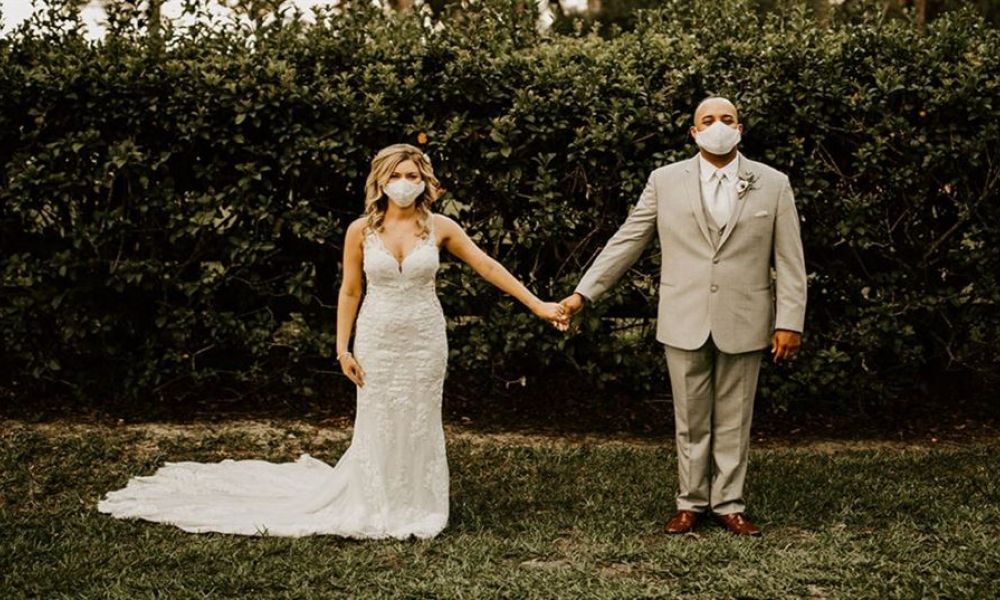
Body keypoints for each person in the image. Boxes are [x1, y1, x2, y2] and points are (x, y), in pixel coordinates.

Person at [97, 143, 568, 538]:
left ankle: (419, 505)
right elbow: (349, 290)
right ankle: (375, 501)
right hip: (377, 336)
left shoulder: (441, 228)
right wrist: (342, 348)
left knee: (420, 418)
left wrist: (539, 305)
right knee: (379, 418)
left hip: (425, 338)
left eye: (414, 174)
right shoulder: (360, 231)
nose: (406, 182)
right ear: (381, 181)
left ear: (425, 180)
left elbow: (489, 267)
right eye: (397, 175)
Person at [559, 97, 807, 536]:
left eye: (726, 119)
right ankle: (689, 503)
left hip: (746, 316)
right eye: (707, 120)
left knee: (735, 417)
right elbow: (627, 240)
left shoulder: (772, 183)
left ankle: (729, 503)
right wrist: (583, 293)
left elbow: (790, 258)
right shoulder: (664, 180)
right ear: (693, 133)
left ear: (740, 128)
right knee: (689, 417)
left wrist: (790, 320)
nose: (718, 126)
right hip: (684, 315)